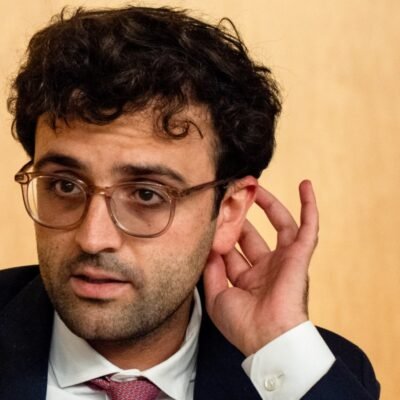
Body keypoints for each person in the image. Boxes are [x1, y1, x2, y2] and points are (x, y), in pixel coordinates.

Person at [0, 5, 379, 400]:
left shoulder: (307, 373)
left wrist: (278, 346)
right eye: (64, 186)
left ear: (229, 212)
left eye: (147, 194)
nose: (93, 238)